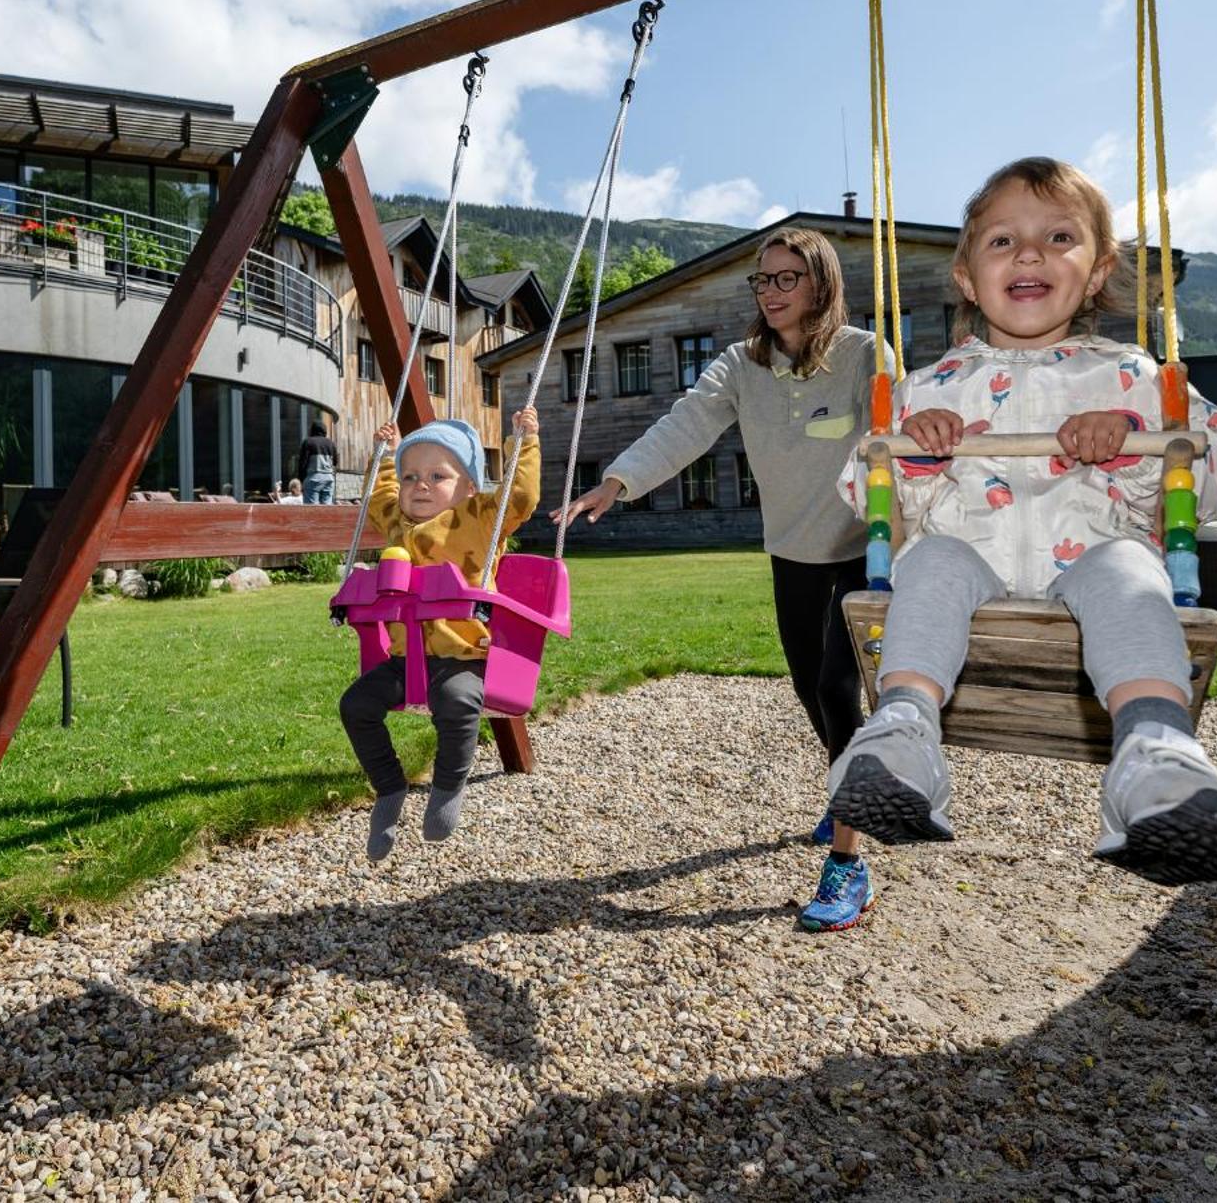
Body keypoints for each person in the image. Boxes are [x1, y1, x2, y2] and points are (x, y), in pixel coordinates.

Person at [829, 156, 1217, 883]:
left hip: (1091, 561)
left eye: (1059, 237)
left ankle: (1156, 753)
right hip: (974, 572)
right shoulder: (928, 387)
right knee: (931, 561)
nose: (1029, 253)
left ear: (1097, 271)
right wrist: (914, 453)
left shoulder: (1133, 374)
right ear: (967, 276)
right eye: (1002, 241)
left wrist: (1132, 436)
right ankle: (904, 729)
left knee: (1131, 569)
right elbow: (860, 493)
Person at [554, 227, 894, 932]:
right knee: (808, 685)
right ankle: (846, 783)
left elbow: (905, 439)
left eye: (785, 279)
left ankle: (849, 864)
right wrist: (617, 481)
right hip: (792, 548)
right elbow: (685, 423)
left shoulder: (866, 354)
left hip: (863, 544)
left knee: (837, 683)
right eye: (762, 280)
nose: (770, 292)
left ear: (820, 283)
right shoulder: (743, 364)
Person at [341, 408, 541, 861]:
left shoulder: (479, 517)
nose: (420, 485)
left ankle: (449, 788)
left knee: (457, 703)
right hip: (403, 659)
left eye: (438, 475)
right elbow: (379, 495)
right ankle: (389, 788)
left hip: (463, 654)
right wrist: (385, 456)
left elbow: (521, 497)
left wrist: (524, 443)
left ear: (470, 486)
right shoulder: (398, 522)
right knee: (355, 705)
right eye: (411, 477)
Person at [297, 422, 338, 504]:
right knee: (326, 509)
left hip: (313, 478)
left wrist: (301, 479)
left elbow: (302, 463)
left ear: (312, 430)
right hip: (328, 479)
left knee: (312, 510)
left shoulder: (308, 442)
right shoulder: (331, 443)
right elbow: (335, 462)